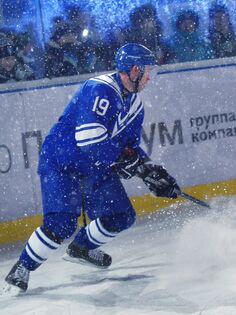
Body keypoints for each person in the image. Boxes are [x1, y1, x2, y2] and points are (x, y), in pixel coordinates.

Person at [4, 43, 181, 293]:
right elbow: (90, 140)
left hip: (94, 164)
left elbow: (128, 147)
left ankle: (81, 247)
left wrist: (149, 169)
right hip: (61, 163)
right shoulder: (100, 88)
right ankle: (22, 268)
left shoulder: (135, 105)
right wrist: (127, 162)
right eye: (148, 70)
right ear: (134, 70)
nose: (151, 76)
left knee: (121, 215)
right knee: (61, 223)